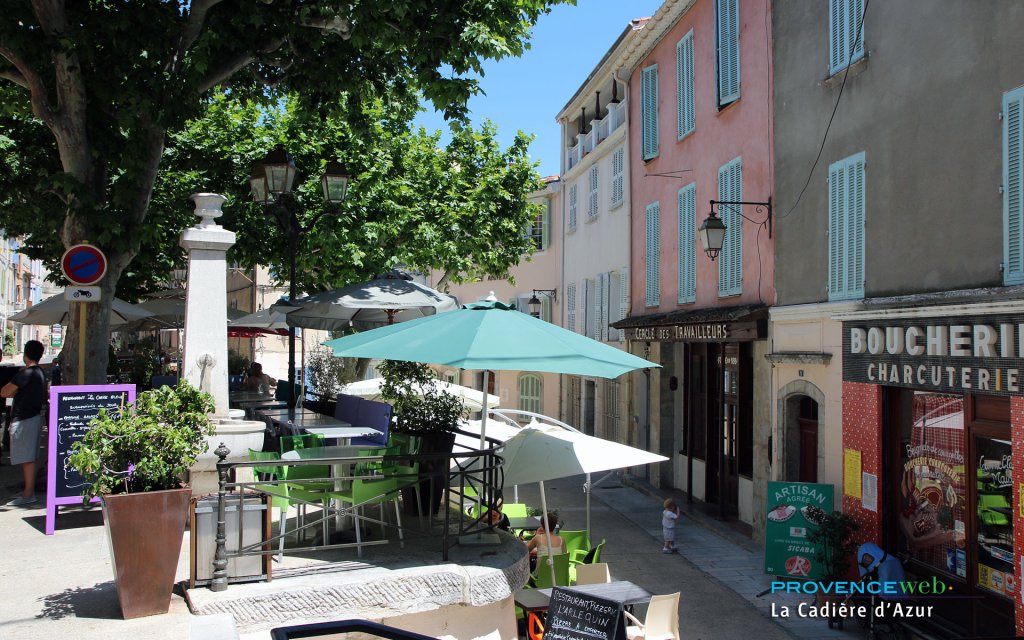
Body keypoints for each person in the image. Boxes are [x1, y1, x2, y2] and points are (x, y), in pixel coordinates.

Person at [3, 340, 47, 507]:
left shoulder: (26, 373)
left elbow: (4, 392)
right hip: (34, 417)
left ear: (26, 354)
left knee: (26, 458)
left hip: (24, 419)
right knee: (29, 457)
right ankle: (28, 491)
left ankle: (28, 493)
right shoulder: (40, 372)